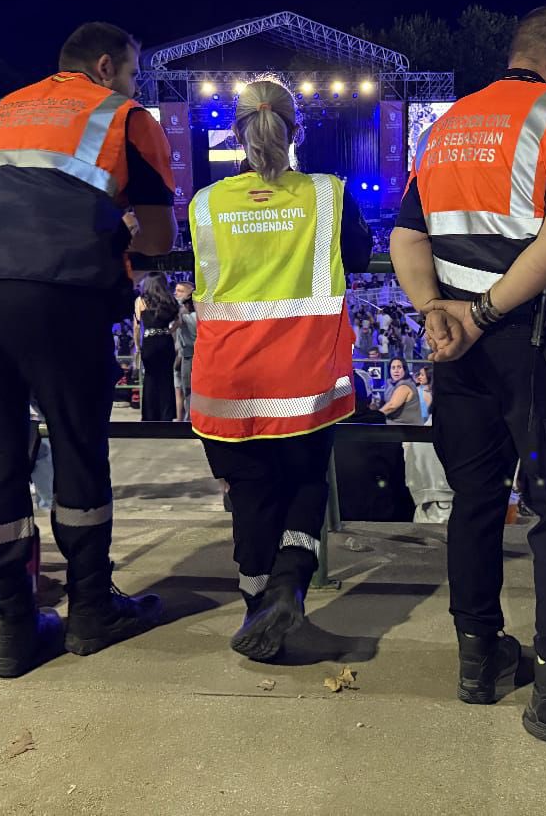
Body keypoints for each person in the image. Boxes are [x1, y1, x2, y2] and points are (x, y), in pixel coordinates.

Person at [391, 1, 546, 742]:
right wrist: (485, 312)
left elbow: (409, 232)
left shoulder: (448, 124)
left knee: (474, 498)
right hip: (533, 342)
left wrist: (437, 307)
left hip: (458, 349)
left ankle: (480, 659)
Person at [0, 21, 177, 678]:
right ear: (105, 66)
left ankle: (12, 628)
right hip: (55, 289)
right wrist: (118, 225)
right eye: (132, 72)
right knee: (76, 444)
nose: (135, 84)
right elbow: (156, 235)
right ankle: (91, 608)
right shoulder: (122, 115)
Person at [188, 78, 372, 660]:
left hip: (227, 382)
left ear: (237, 133)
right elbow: (360, 255)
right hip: (303, 382)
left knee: (249, 495)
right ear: (296, 132)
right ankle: (290, 583)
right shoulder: (327, 194)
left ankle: (255, 607)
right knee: (305, 483)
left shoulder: (205, 204)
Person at [133, 272, 178, 422]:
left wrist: (138, 347)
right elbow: (178, 322)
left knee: (150, 378)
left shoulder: (141, 301)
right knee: (166, 378)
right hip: (165, 341)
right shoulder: (170, 300)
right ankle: (166, 415)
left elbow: (137, 326)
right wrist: (167, 331)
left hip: (150, 342)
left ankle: (150, 416)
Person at [173, 281, 197, 421]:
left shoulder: (190, 314)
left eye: (180, 291)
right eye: (176, 290)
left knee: (189, 389)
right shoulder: (179, 312)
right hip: (183, 355)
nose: (176, 293)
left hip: (192, 356)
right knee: (184, 389)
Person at [379, 357, 424, 426]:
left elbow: (391, 406)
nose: (396, 371)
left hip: (407, 427)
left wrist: (375, 416)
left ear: (404, 369)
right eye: (393, 368)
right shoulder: (390, 384)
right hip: (394, 423)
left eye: (399, 367)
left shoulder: (405, 385)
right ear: (389, 371)